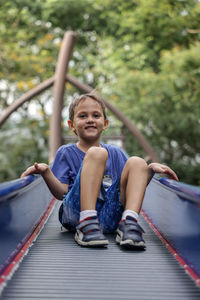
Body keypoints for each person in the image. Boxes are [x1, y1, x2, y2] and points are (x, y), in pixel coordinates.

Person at [21, 93, 178, 249]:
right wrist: (46, 172)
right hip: (77, 214)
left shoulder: (116, 153)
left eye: (96, 115)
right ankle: (87, 222)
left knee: (137, 161)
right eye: (83, 116)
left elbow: (129, 187)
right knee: (97, 153)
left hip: (111, 217)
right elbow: (61, 193)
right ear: (71, 125)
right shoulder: (66, 153)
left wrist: (148, 170)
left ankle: (129, 223)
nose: (90, 119)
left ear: (105, 123)